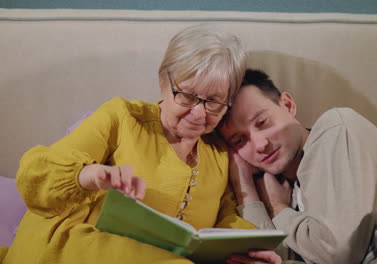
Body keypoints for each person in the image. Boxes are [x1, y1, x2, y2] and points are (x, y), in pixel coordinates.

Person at [1, 25, 278, 264]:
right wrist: (89, 175)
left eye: (214, 102)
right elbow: (34, 177)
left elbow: (226, 220)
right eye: (187, 96)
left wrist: (248, 251)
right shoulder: (122, 117)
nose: (198, 113)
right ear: (163, 81)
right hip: (72, 244)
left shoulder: (217, 153)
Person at [219, 69, 377, 264]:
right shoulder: (282, 189)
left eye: (262, 122)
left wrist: (279, 209)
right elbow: (272, 256)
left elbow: (337, 252)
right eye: (240, 141)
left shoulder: (334, 128)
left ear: (287, 105)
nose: (259, 144)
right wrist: (246, 187)